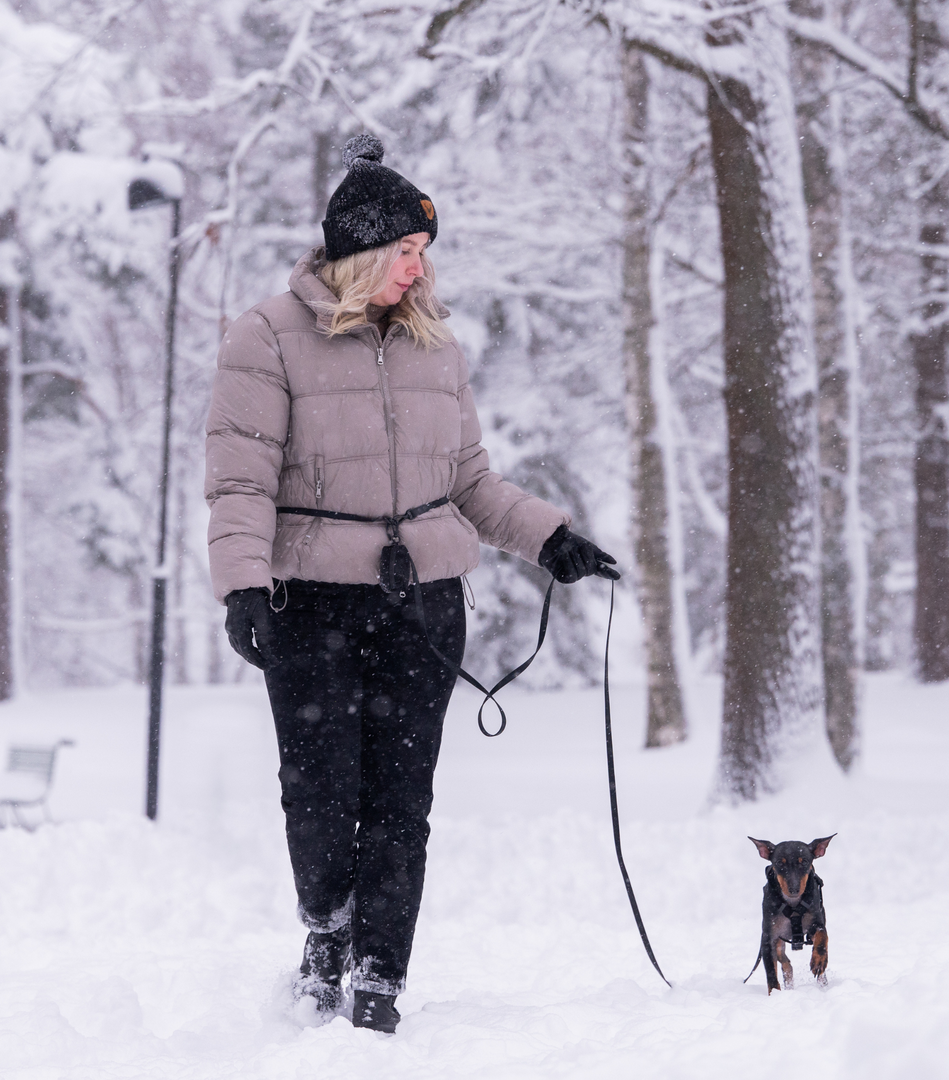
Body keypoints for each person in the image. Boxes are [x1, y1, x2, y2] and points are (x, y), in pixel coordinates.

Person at [204, 134, 618, 1034]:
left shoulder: (438, 347)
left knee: (402, 800)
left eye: (423, 253)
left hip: (420, 604)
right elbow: (241, 477)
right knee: (318, 792)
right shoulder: (266, 337)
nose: (417, 268)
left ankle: (381, 978)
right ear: (360, 250)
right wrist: (242, 584)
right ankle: (330, 929)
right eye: (404, 251)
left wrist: (551, 539)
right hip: (307, 600)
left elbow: (468, 484)